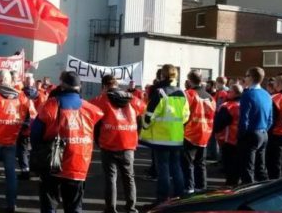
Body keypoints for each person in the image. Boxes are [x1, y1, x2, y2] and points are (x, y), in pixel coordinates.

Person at [31, 71, 103, 212]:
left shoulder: (51, 105)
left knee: (49, 205)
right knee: (74, 207)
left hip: (52, 162)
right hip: (79, 164)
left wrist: (37, 152)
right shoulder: (90, 109)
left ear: (62, 86)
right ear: (79, 87)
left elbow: (35, 133)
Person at [0, 69, 30, 212]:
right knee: (10, 173)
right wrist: (18, 132)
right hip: (11, 139)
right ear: (10, 81)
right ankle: (11, 204)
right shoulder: (22, 97)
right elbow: (27, 118)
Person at [140, 64, 190, 203]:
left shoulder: (160, 92)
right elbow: (186, 115)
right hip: (176, 137)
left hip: (161, 138)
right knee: (176, 167)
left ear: (162, 75)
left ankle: (163, 198)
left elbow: (149, 115)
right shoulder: (181, 92)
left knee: (163, 169)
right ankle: (179, 196)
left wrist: (145, 126)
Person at [91, 75, 138, 213]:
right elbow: (143, 113)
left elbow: (91, 117)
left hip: (108, 143)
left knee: (111, 178)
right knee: (129, 177)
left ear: (104, 86)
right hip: (128, 143)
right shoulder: (132, 99)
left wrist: (97, 139)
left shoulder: (101, 100)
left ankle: (111, 209)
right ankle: (131, 208)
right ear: (117, 84)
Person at [182, 70, 216, 193]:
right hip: (205, 133)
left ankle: (189, 188)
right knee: (200, 163)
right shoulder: (210, 97)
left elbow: (184, 113)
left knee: (188, 163)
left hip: (190, 132)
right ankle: (201, 187)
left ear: (189, 80)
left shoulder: (189, 94)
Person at [238, 67, 272, 184]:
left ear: (251, 78)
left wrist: (242, 134)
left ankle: (247, 196)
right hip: (263, 133)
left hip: (251, 134)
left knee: (247, 169)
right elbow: (270, 118)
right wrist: (264, 129)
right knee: (261, 168)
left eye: (246, 76)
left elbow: (244, 119)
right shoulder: (267, 94)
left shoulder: (247, 95)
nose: (244, 78)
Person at [214, 84, 243, 186]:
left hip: (229, 139)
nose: (227, 93)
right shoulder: (245, 104)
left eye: (229, 91)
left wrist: (216, 132)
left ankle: (230, 185)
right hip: (242, 139)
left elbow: (218, 124)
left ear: (235, 93)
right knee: (239, 165)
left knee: (228, 165)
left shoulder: (227, 106)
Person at [17, 74, 45, 180]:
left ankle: (25, 171)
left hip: (24, 125)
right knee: (34, 148)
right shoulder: (41, 95)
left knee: (23, 150)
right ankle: (35, 170)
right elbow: (43, 110)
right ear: (33, 83)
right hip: (36, 125)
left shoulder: (20, 94)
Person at [266, 75, 282, 179]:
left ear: (277, 85)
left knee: (275, 165)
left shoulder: (275, 98)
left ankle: (274, 189)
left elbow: (271, 119)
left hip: (277, 135)